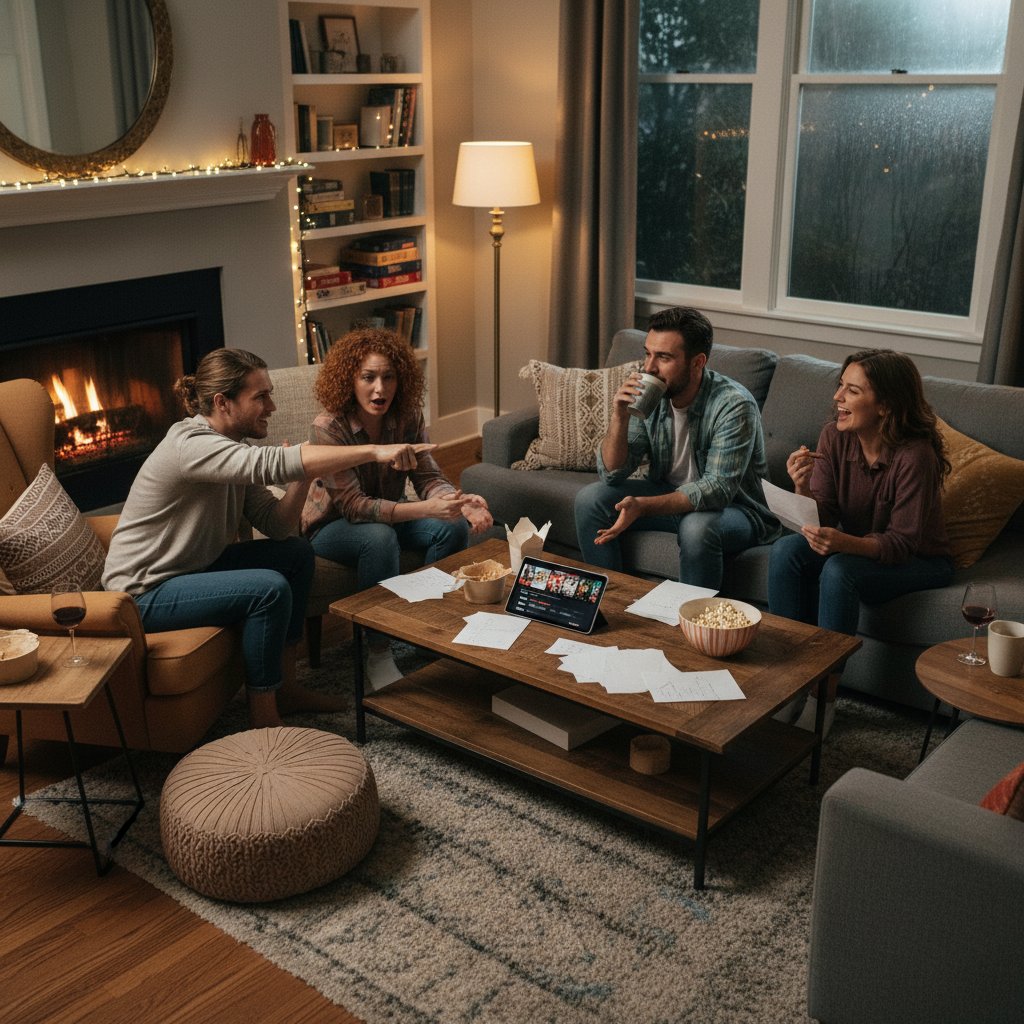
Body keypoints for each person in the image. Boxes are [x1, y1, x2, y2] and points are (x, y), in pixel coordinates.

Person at [102, 348, 432, 729]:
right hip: (143, 593)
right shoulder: (190, 445)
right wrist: (374, 451)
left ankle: (286, 690)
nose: (271, 406)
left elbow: (276, 526)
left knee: (294, 554)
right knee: (268, 588)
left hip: (190, 571)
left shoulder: (231, 450)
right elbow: (270, 464)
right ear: (222, 403)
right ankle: (265, 719)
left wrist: (304, 475)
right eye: (260, 396)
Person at [767, 349, 953, 736]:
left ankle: (824, 697)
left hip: (919, 561)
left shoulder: (915, 456)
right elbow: (825, 515)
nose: (837, 398)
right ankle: (785, 682)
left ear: (884, 405)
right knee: (786, 551)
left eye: (852, 391)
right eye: (840, 387)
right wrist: (802, 486)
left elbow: (901, 543)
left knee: (839, 569)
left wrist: (843, 544)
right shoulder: (834, 435)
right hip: (858, 546)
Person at [301, 327, 493, 689]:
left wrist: (457, 503)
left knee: (450, 527)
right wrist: (425, 510)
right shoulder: (328, 428)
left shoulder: (407, 417)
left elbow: (427, 477)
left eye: (388, 377)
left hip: (387, 514)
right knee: (378, 537)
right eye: (369, 377)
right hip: (330, 528)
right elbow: (355, 508)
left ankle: (427, 628)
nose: (380, 389)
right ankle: (378, 652)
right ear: (349, 380)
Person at [574, 306, 780, 590]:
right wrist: (619, 416)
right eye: (648, 353)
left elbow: (717, 490)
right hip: (669, 495)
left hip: (737, 510)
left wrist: (644, 507)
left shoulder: (734, 405)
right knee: (590, 500)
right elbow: (613, 474)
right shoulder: (654, 393)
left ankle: (692, 624)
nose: (649, 368)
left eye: (664, 357)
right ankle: (608, 604)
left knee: (696, 528)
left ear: (697, 362)